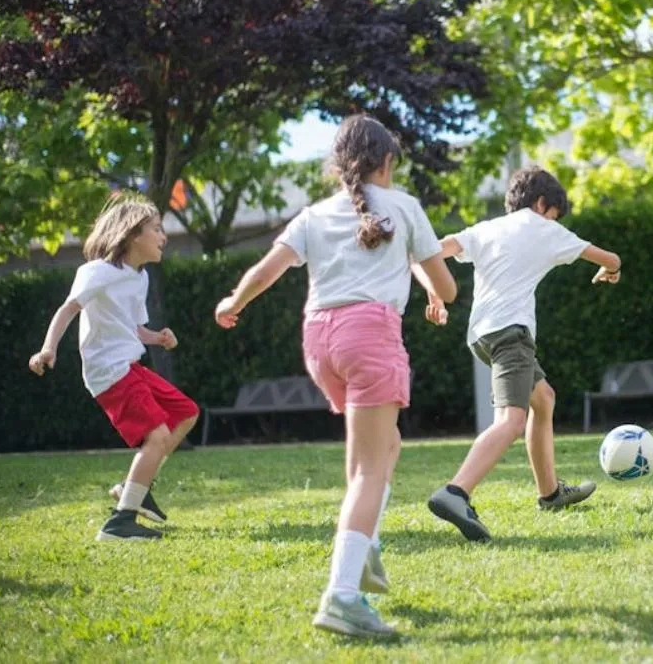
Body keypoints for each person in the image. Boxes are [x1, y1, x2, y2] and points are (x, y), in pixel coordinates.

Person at [214, 115, 456, 638]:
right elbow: (448, 286)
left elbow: (268, 269)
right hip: (370, 335)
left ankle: (363, 547)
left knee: (381, 448)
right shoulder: (405, 207)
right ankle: (344, 595)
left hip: (320, 342)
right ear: (387, 161)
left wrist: (234, 301)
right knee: (373, 468)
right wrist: (437, 291)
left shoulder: (316, 213)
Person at [425, 166, 622, 542]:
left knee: (543, 398)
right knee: (512, 421)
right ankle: (455, 492)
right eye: (554, 214)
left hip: (481, 335)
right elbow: (611, 257)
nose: (553, 221)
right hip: (511, 334)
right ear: (543, 203)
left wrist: (435, 292)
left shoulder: (487, 228)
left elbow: (438, 249)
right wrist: (608, 271)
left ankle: (550, 494)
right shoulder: (545, 228)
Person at [28, 196, 199, 541]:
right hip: (108, 370)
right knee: (158, 436)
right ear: (133, 234)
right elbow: (68, 309)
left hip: (129, 364)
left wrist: (157, 337)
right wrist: (48, 348)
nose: (163, 236)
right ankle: (119, 523)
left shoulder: (140, 278)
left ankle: (134, 487)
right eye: (156, 229)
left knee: (186, 412)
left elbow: (133, 328)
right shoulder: (96, 272)